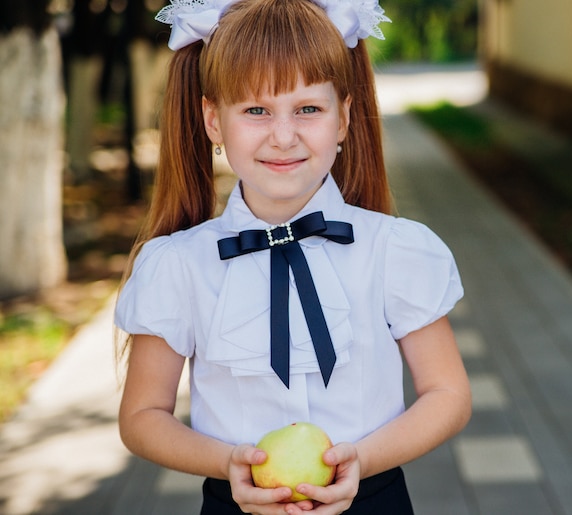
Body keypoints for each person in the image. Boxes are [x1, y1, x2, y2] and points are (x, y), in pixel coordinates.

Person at [114, 0, 472, 513]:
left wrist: (363, 460)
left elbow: (448, 394)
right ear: (213, 120)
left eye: (308, 108)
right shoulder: (178, 264)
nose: (284, 136)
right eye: (256, 111)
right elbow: (142, 416)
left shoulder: (393, 249)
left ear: (344, 118)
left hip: (373, 500)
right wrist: (227, 462)